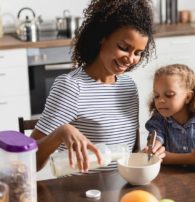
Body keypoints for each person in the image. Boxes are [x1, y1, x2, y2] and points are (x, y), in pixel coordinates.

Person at [31, 0, 165, 173]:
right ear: (103, 36)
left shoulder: (128, 86)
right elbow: (29, 162)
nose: (130, 59)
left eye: (138, 53)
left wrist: (149, 153)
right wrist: (60, 133)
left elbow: (127, 151)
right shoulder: (71, 87)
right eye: (124, 47)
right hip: (82, 194)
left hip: (123, 188)